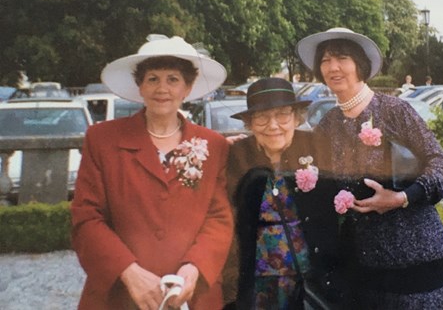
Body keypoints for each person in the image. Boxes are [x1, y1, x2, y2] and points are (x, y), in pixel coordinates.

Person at [296, 27, 443, 309]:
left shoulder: (394, 110)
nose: (333, 67)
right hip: (365, 270)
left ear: (359, 64)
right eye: (325, 60)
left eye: (341, 58)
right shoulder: (327, 124)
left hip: (418, 262)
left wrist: (401, 198)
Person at [71, 34, 234, 310]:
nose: (162, 88)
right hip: (120, 296)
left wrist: (194, 269)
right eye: (153, 79)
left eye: (173, 79)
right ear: (140, 86)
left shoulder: (213, 145)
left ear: (188, 87)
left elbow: (218, 217)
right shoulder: (102, 140)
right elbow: (86, 218)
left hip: (192, 296)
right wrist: (129, 273)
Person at [226, 78, 340, 310]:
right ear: (249, 123)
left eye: (282, 114)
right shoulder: (237, 155)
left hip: (310, 280)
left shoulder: (318, 146)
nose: (273, 125)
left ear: (296, 117)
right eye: (261, 117)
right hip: (257, 281)